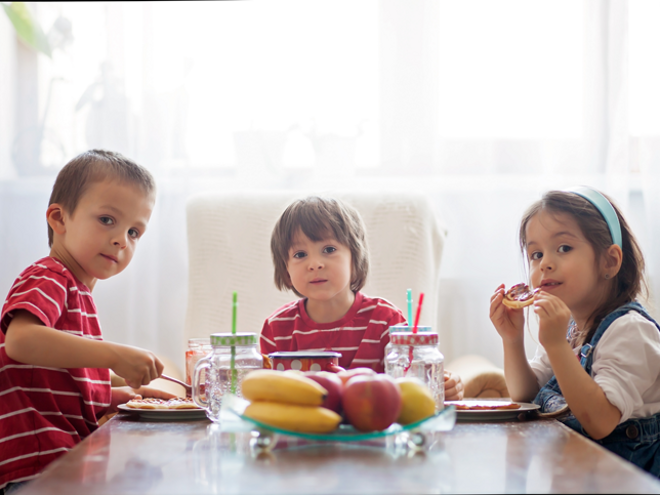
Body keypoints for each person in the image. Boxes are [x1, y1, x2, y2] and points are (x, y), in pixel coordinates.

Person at [0, 150, 173, 493]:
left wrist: (122, 394)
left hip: (59, 457)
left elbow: (64, 380)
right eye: (108, 220)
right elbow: (20, 342)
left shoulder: (76, 293)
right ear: (60, 219)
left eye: (135, 232)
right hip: (37, 458)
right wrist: (114, 355)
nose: (121, 240)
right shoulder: (48, 277)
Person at [490, 186, 660, 475]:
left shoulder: (630, 331)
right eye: (535, 254)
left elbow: (601, 422)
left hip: (625, 479)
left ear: (610, 261)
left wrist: (556, 346)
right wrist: (512, 340)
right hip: (576, 472)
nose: (545, 263)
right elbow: (525, 394)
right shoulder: (568, 328)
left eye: (564, 248)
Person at [260, 196, 464, 400]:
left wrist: (444, 385)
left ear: (355, 259)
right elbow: (264, 393)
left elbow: (414, 382)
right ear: (286, 270)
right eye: (300, 254)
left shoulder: (387, 321)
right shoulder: (276, 329)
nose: (314, 263)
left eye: (329, 250)